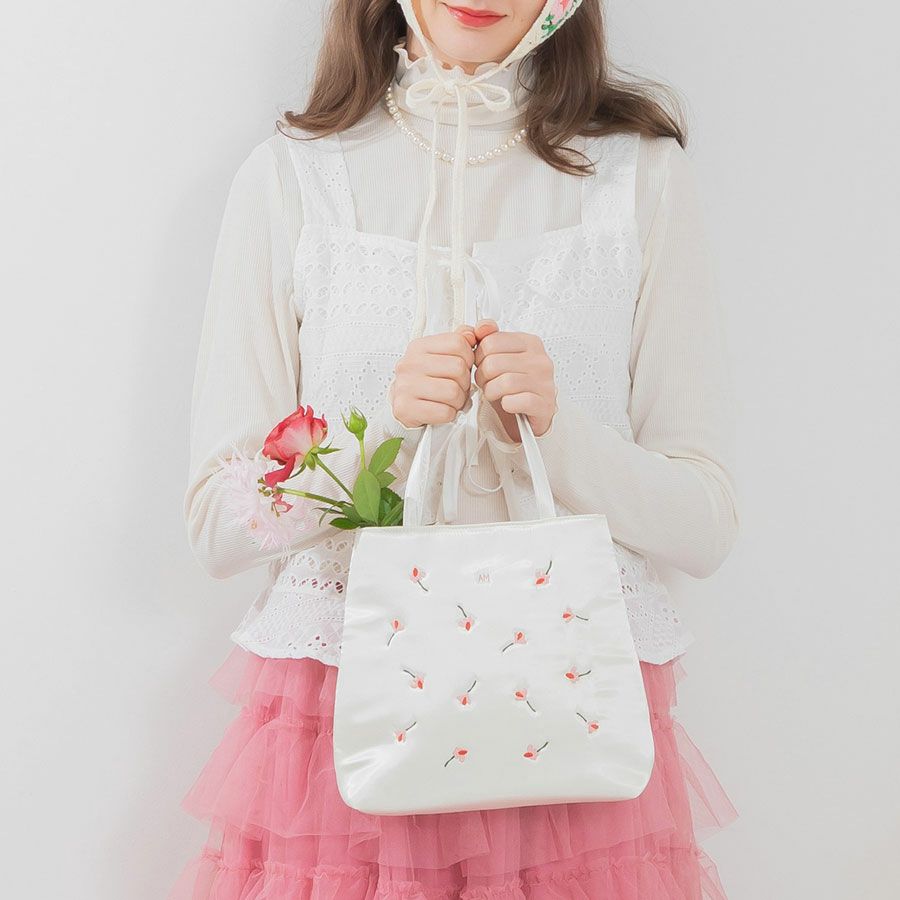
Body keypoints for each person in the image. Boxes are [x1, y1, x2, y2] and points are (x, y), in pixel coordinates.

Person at [167, 1, 741, 897]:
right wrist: (385, 433)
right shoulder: (293, 176)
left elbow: (703, 525)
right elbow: (219, 523)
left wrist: (556, 434)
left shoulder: (640, 177)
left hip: (567, 721)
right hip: (342, 720)